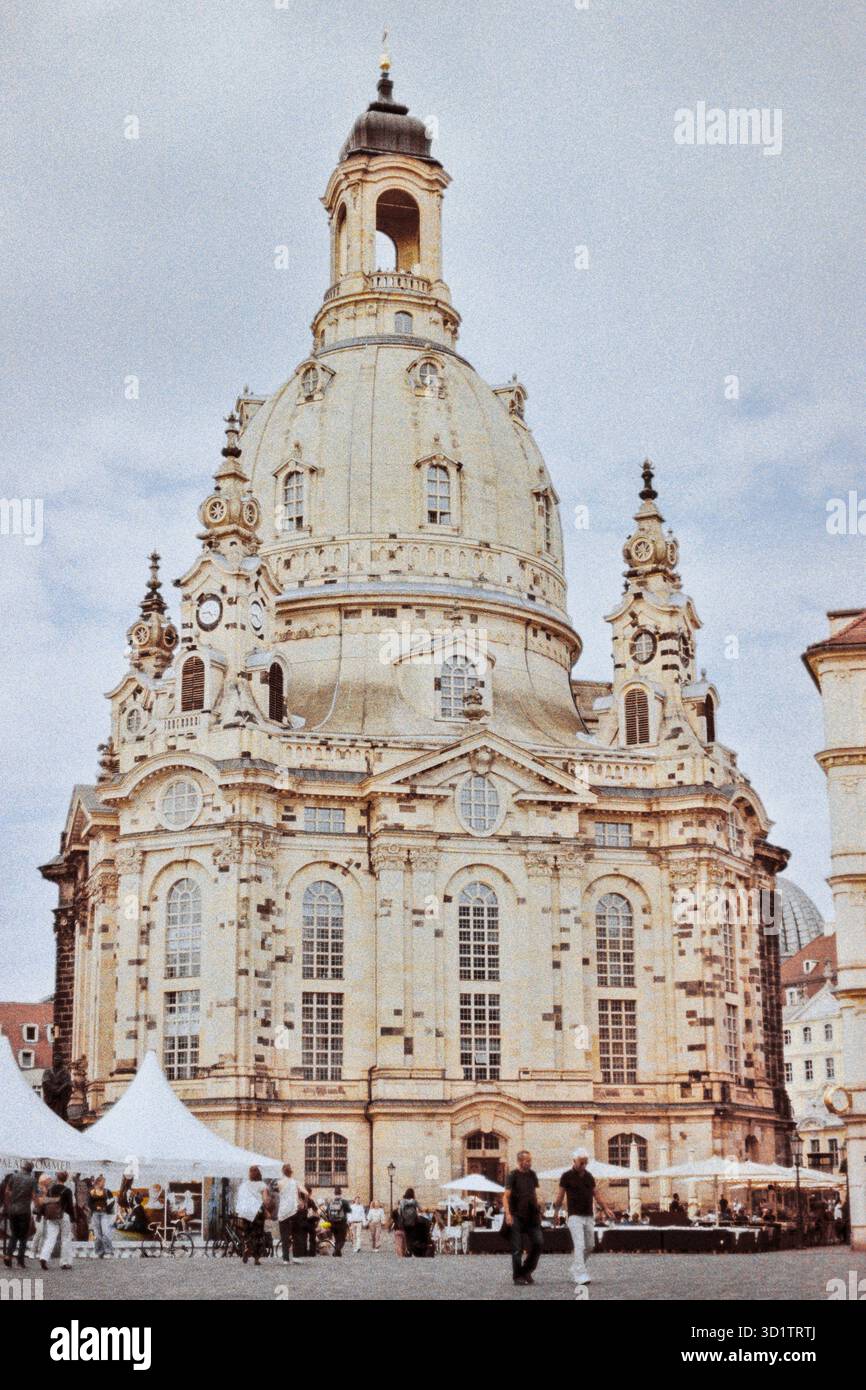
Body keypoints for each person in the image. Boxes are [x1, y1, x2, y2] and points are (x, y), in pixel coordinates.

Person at [554, 1148, 614, 1287]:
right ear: (574, 1161)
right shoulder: (566, 1176)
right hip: (574, 1216)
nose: (583, 1166)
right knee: (579, 1245)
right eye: (581, 1163)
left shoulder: (589, 1177)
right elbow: (560, 1195)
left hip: (588, 1215)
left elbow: (596, 1194)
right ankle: (580, 1274)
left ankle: (576, 1266)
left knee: (590, 1245)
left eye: (585, 1163)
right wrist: (556, 1212)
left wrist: (605, 1208)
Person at [503, 1150, 544, 1287]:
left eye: (530, 1160)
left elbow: (534, 1193)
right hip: (516, 1216)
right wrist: (507, 1214)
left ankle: (526, 1270)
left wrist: (539, 1206)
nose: (529, 1163)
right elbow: (505, 1196)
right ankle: (517, 1277)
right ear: (520, 1161)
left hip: (532, 1216)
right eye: (527, 1161)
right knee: (517, 1249)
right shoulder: (513, 1175)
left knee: (538, 1243)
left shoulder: (532, 1175)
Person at [4, 1161, 37, 1269]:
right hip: (24, 1211)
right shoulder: (32, 1180)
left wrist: (12, 1199)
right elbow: (34, 1195)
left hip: (12, 1210)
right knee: (23, 1237)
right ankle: (20, 1261)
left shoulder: (13, 1176)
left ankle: (8, 1255)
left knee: (14, 1234)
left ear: (22, 1168)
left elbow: (7, 1191)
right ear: (31, 1170)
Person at [40, 1171, 75, 1271]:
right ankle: (64, 1262)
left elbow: (45, 1202)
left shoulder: (50, 1189)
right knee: (66, 1238)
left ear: (57, 1178)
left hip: (51, 1216)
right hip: (64, 1215)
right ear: (66, 1178)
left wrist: (44, 1214)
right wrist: (73, 1218)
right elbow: (70, 1206)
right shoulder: (67, 1190)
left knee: (50, 1238)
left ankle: (44, 1257)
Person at [235, 1166, 269, 1265]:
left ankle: (247, 1248)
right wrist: (267, 1210)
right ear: (259, 1174)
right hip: (257, 1212)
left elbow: (240, 1198)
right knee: (258, 1234)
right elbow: (265, 1200)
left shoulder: (244, 1185)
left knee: (248, 1233)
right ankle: (256, 1259)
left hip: (246, 1212)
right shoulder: (262, 1185)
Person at [276, 1163, 299, 1264]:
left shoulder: (279, 1183)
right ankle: (295, 1256)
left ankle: (285, 1259)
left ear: (282, 1172)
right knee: (295, 1234)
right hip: (293, 1210)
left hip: (283, 1212)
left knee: (284, 1236)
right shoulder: (294, 1182)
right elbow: (297, 1195)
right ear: (291, 1172)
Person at [88, 1175, 115, 1258]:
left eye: (104, 1182)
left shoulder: (107, 1192)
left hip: (104, 1214)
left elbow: (112, 1201)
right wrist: (95, 1207)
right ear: (98, 1182)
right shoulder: (92, 1192)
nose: (104, 1184)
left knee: (106, 1232)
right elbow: (89, 1204)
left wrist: (106, 1208)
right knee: (97, 1234)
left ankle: (109, 1251)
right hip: (95, 1214)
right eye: (103, 1182)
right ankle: (99, 1252)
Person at [397, 1187, 426, 1257]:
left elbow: (399, 1211)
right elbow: (421, 1209)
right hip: (413, 1222)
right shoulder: (414, 1201)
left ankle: (408, 1250)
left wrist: (401, 1219)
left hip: (405, 1222)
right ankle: (411, 1250)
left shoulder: (402, 1201)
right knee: (412, 1236)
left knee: (406, 1236)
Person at [323, 1187, 351, 1256]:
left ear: (334, 1193)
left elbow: (326, 1212)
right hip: (342, 1223)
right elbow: (349, 1210)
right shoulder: (344, 1202)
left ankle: (337, 1253)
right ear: (341, 1193)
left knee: (337, 1239)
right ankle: (337, 1250)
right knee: (342, 1239)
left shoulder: (330, 1202)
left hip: (333, 1223)